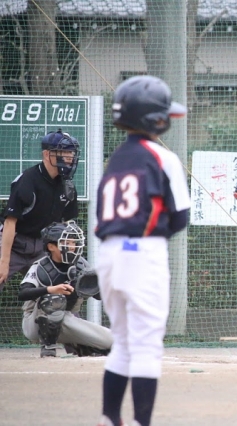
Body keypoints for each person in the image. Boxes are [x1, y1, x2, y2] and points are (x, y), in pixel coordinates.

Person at [94, 75, 190, 426]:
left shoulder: (115, 160)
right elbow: (180, 217)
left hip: (109, 254)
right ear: (155, 120)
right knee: (146, 345)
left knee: (121, 342)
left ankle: (110, 418)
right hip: (144, 253)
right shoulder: (163, 158)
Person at [18, 221, 112, 358]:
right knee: (54, 299)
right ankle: (48, 347)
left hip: (67, 320)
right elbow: (23, 294)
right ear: (51, 246)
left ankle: (84, 346)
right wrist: (50, 289)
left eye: (73, 242)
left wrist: (94, 285)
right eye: (67, 242)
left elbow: (99, 296)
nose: (72, 246)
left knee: (113, 342)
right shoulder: (40, 266)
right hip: (35, 323)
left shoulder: (81, 264)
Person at [0, 129, 79, 292]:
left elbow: (67, 224)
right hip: (13, 243)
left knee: (57, 291)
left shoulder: (68, 186)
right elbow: (9, 222)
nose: (69, 157)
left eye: (71, 153)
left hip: (43, 247)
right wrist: (3, 262)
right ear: (47, 154)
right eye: (64, 152)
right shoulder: (28, 180)